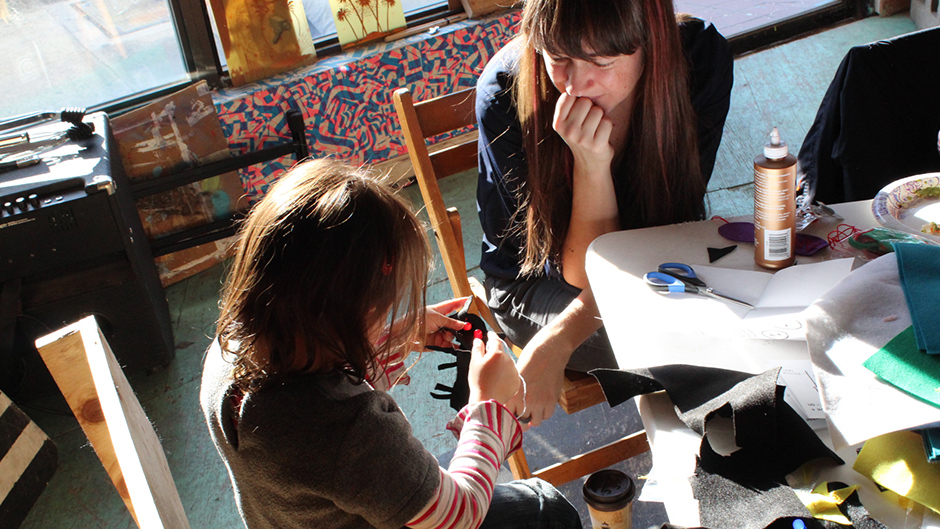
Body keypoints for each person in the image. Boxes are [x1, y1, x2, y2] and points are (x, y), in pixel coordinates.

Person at [199, 158, 582, 529]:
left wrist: (387, 336)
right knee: (544, 509)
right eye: (383, 311)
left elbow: (306, 383)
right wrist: (488, 407)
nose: (389, 316)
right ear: (354, 315)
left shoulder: (229, 347)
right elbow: (460, 513)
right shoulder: (350, 431)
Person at [476, 0, 734, 426]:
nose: (576, 84)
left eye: (602, 61)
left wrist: (557, 342)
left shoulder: (699, 59)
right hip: (536, 284)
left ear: (653, 42)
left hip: (658, 256)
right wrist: (590, 165)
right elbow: (584, 273)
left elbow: (674, 229)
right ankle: (703, 463)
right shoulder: (506, 93)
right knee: (689, 342)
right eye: (557, 57)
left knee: (756, 313)